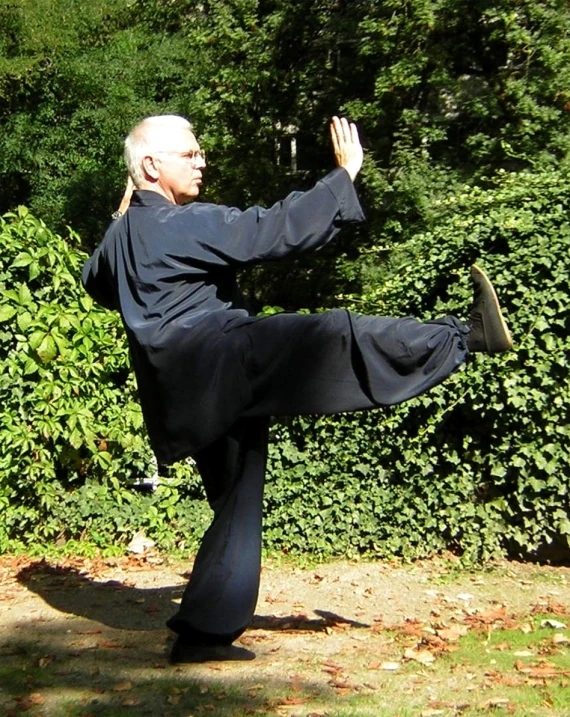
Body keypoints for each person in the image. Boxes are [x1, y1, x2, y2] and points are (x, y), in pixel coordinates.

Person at [82, 114, 512, 664]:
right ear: (150, 165)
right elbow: (273, 228)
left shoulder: (124, 236)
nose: (202, 162)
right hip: (227, 360)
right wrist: (344, 176)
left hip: (184, 394)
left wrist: (124, 229)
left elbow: (97, 280)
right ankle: (464, 335)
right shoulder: (178, 225)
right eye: (189, 154)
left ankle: (203, 634)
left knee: (237, 502)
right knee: (331, 335)